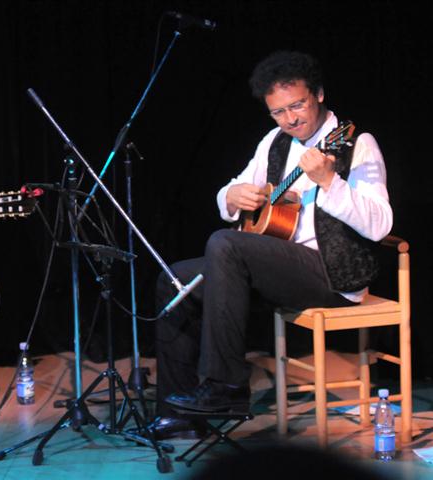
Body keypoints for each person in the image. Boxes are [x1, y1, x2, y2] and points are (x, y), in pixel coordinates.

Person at [152, 50, 392, 439]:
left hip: (332, 273)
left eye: (297, 105)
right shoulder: (275, 142)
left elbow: (380, 224)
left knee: (226, 245)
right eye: (278, 112)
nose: (290, 118)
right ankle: (178, 414)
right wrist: (232, 197)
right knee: (175, 280)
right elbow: (230, 191)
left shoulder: (355, 143)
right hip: (280, 267)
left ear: (318, 94)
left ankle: (226, 386)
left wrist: (331, 182)